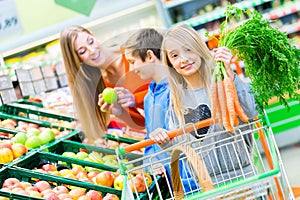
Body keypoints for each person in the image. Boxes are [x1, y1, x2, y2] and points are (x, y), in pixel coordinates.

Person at [150, 24, 258, 194]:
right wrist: (163, 139)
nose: (183, 59)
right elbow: (179, 146)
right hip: (207, 188)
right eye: (175, 55)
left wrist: (230, 74)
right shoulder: (176, 100)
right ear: (170, 63)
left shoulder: (223, 81)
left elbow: (251, 111)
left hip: (245, 178)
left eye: (188, 50)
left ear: (199, 48)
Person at [60, 26, 151, 140]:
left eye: (91, 42)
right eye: (83, 51)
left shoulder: (134, 52)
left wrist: (135, 99)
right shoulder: (104, 84)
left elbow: (170, 86)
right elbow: (141, 124)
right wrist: (119, 111)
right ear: (78, 60)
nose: (92, 51)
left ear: (93, 35)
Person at [122, 28, 170, 165]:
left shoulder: (174, 91)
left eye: (132, 62)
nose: (131, 69)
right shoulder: (149, 97)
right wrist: (152, 163)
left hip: (187, 177)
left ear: (149, 56)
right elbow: (150, 140)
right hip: (167, 179)